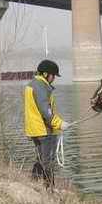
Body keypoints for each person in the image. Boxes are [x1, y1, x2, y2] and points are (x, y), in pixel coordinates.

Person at [23, 59, 68, 188]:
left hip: (34, 130)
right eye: (53, 75)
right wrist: (60, 124)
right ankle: (49, 189)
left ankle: (34, 184)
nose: (54, 78)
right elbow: (46, 111)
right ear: (46, 74)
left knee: (40, 159)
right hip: (44, 131)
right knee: (48, 161)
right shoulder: (41, 87)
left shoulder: (31, 84)